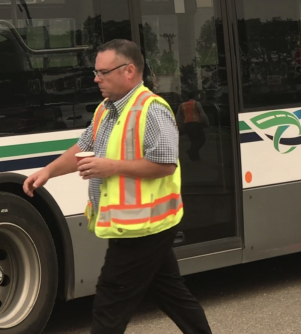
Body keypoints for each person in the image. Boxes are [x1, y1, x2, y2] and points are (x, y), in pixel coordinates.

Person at [22, 39, 212, 333]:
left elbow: (166, 165)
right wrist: (48, 172)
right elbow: (84, 146)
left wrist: (109, 167)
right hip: (134, 224)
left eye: (103, 72)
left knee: (109, 304)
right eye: (96, 72)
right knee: (171, 293)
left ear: (129, 71)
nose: (96, 79)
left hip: (144, 227)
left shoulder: (152, 110)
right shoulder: (106, 109)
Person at [176, 91, 209, 161]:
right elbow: (202, 114)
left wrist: (180, 126)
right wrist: (206, 122)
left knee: (193, 141)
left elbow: (178, 117)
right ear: (195, 96)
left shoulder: (182, 105)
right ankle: (191, 151)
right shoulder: (197, 104)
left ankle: (195, 157)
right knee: (201, 140)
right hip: (196, 124)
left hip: (187, 125)